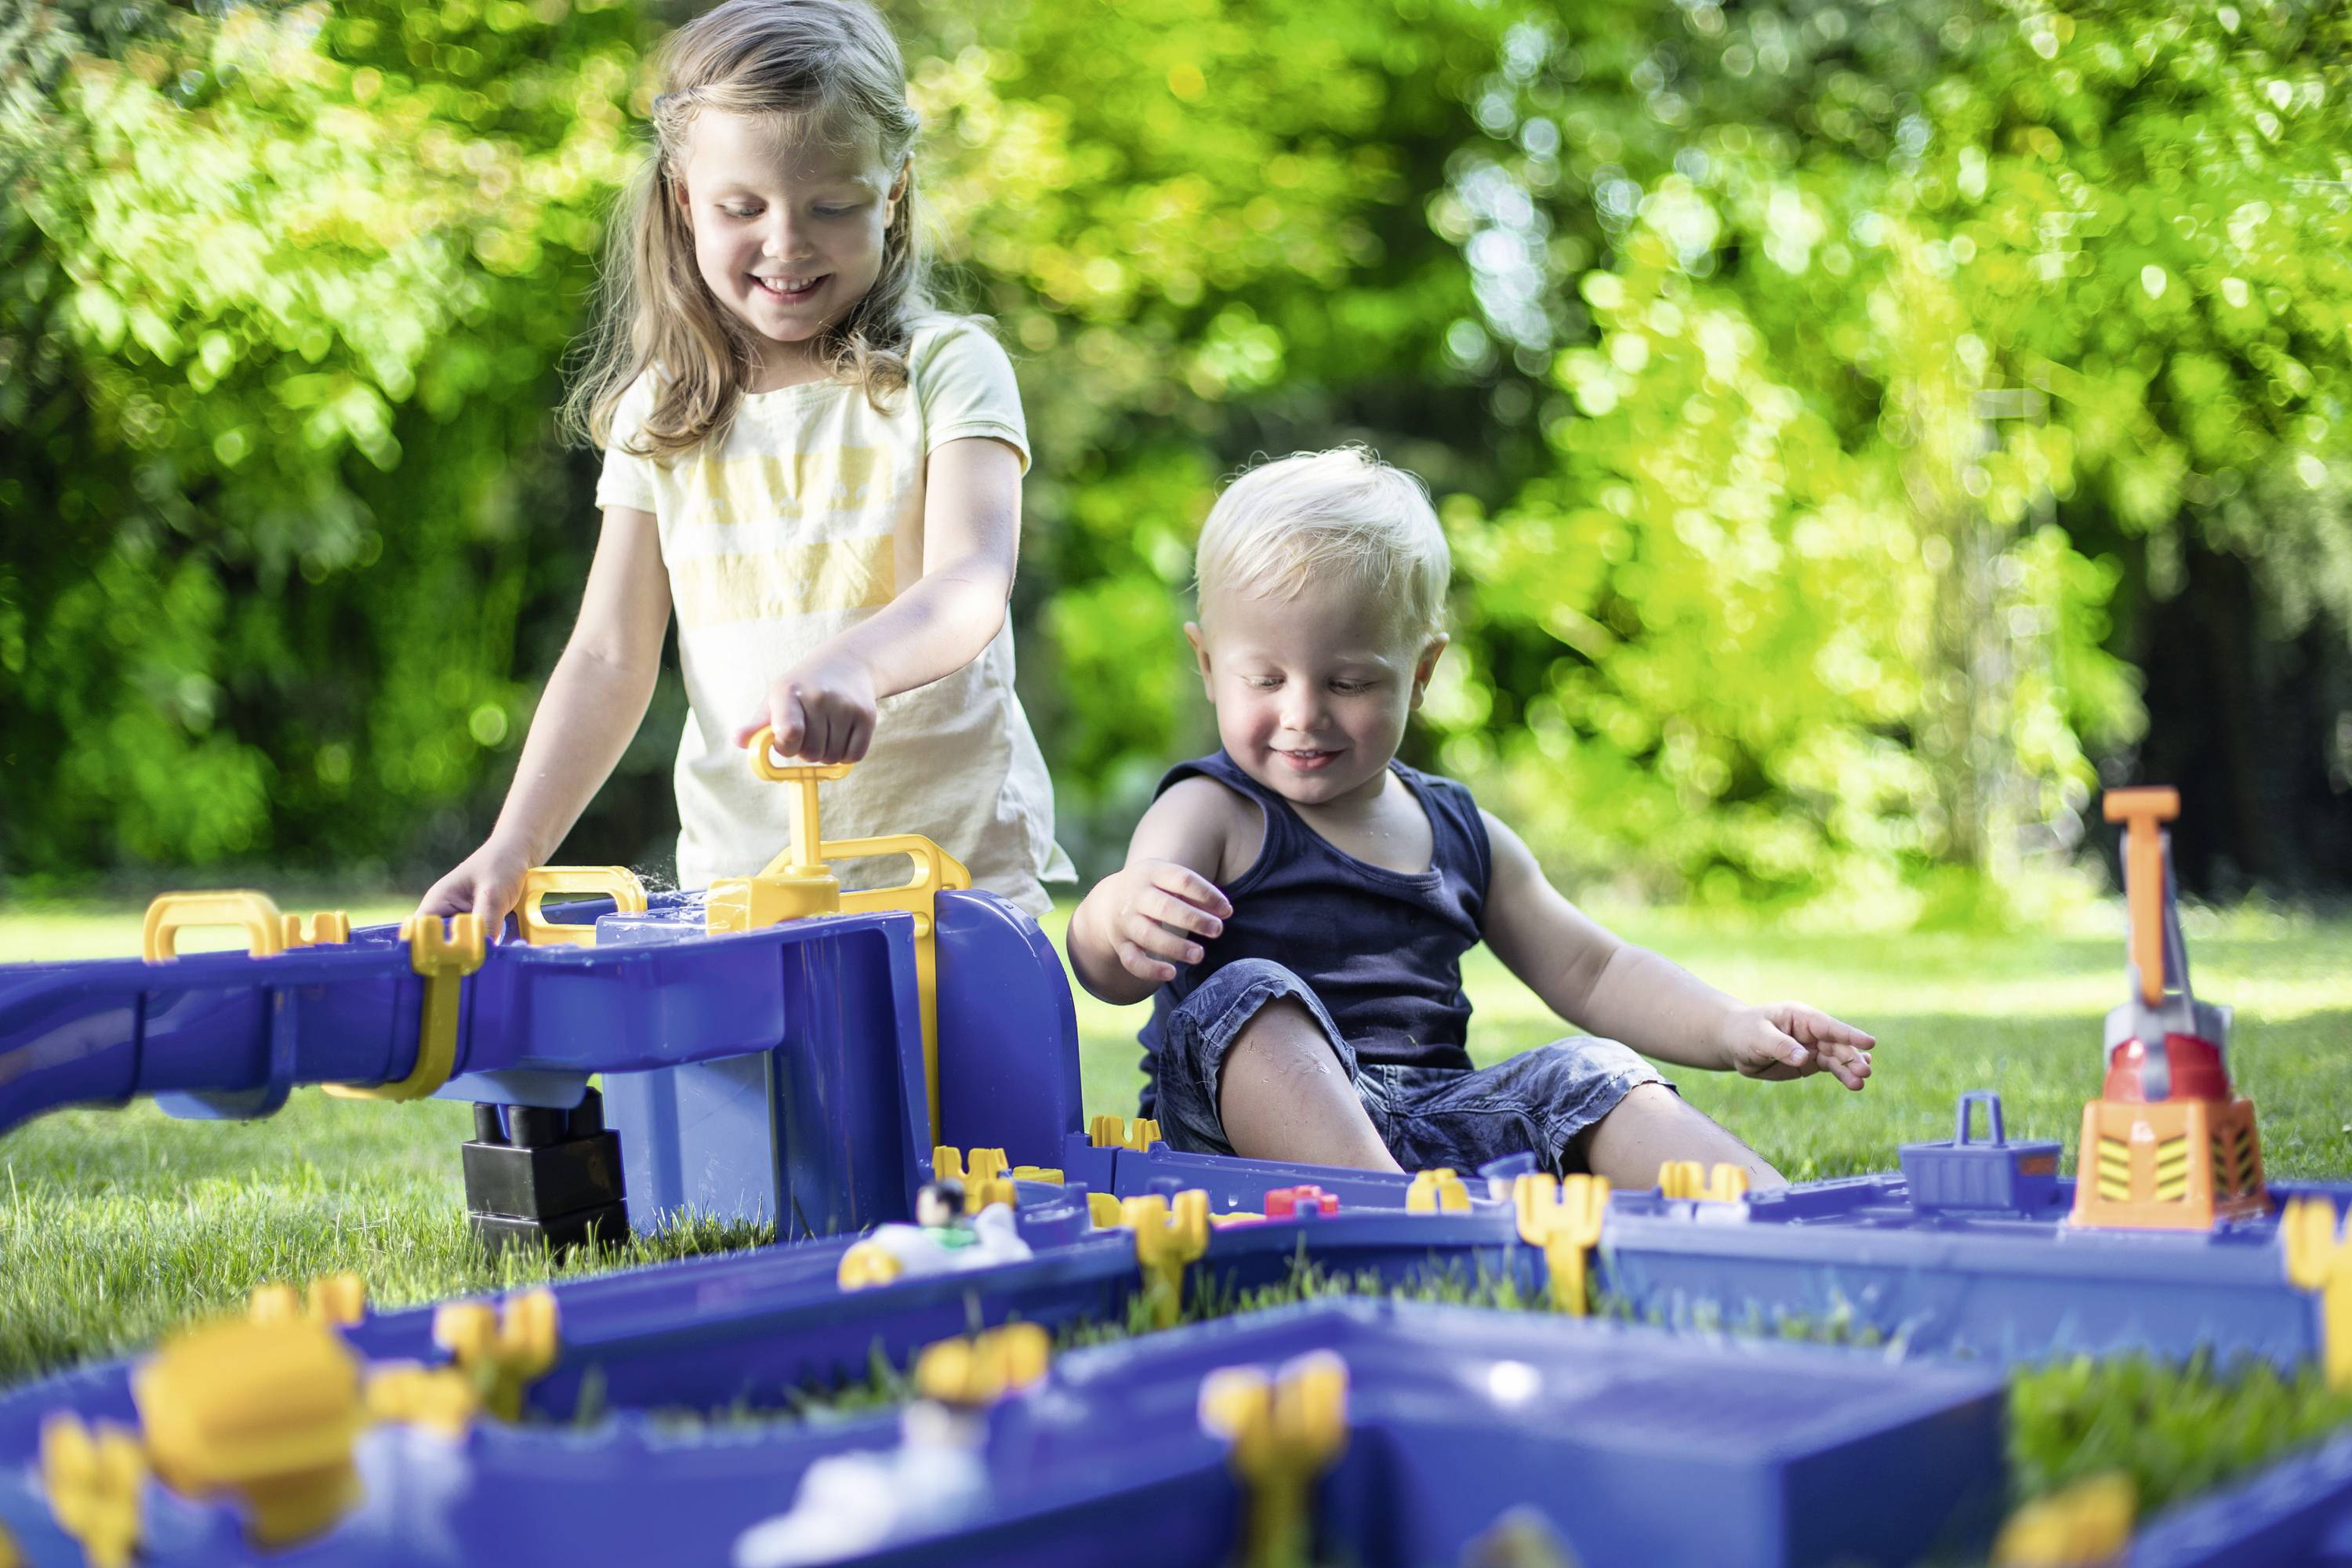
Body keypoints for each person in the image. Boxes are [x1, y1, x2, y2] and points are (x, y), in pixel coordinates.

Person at [420, 0, 1070, 931]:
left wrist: (856, 664)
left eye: (831, 206)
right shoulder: (661, 412)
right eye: (743, 208)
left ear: (893, 191)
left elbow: (971, 582)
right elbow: (608, 654)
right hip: (744, 898)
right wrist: (514, 844)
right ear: (685, 200)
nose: (787, 241)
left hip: (949, 887)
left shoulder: (946, 366)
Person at [1065, 448, 1876, 1188]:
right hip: (1232, 1141)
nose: (1303, 713)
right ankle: (1388, 1213)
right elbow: (1112, 971)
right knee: (1248, 992)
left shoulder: (1460, 832)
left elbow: (1594, 970)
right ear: (1210, 665)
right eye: (1266, 680)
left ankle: (1770, 1213)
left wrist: (1731, 1027)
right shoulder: (1209, 811)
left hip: (1434, 1126)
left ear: (1421, 672)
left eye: (1349, 683)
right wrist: (1113, 918)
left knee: (1590, 1068)